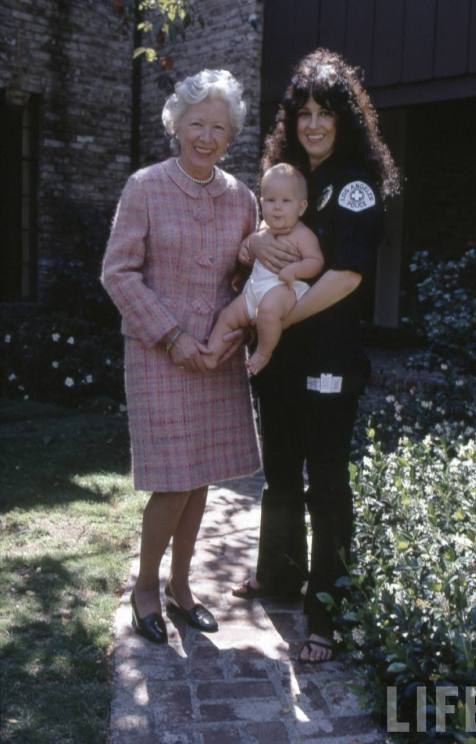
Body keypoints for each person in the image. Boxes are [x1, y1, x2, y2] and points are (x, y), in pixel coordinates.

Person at [232, 49, 400, 662]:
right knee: (278, 473)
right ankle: (278, 574)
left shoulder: (354, 184)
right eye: (302, 112)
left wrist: (273, 316)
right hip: (278, 360)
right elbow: (260, 236)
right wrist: (253, 239)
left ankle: (328, 608)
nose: (313, 124)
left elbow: (350, 276)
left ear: (345, 117)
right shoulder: (287, 177)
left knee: (324, 481)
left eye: (325, 112)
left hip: (327, 359)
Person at [101, 69, 261, 644]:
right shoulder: (144, 186)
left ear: (231, 134)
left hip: (215, 358)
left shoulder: (243, 198)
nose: (207, 135)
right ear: (176, 123)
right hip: (158, 354)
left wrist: (225, 337)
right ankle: (147, 586)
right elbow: (117, 273)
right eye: (197, 123)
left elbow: (252, 278)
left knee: (200, 483)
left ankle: (182, 586)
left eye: (219, 127)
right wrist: (172, 336)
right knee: (172, 481)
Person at [205, 163, 324, 375]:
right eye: (270, 201)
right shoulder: (262, 230)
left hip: (285, 290)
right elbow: (249, 253)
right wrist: (245, 252)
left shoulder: (302, 235)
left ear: (301, 207)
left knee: (268, 312)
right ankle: (211, 353)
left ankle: (263, 352)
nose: (277, 207)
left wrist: (295, 269)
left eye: (286, 201)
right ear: (261, 203)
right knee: (227, 315)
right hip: (254, 290)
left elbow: (316, 262)